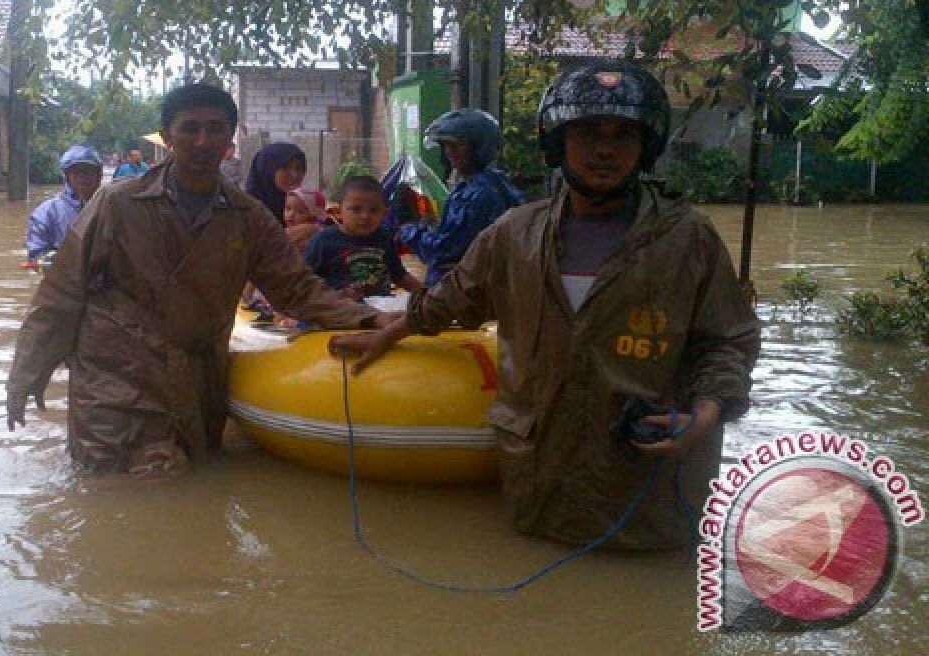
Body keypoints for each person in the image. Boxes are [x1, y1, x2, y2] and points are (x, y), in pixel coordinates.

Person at [329, 63, 761, 550]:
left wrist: (706, 413)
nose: (605, 149)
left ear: (645, 147)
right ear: (558, 142)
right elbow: (450, 300)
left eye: (623, 135)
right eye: (588, 133)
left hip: (650, 500)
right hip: (540, 497)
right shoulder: (514, 234)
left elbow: (729, 340)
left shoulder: (688, 238)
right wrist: (387, 332)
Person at [5, 84, 391, 476]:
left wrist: (370, 319)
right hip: (116, 381)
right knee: (114, 496)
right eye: (190, 129)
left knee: (190, 488)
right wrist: (28, 371)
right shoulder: (117, 204)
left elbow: (297, 288)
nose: (203, 141)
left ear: (230, 139)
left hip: (194, 382)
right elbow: (60, 292)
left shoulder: (248, 216)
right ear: (169, 136)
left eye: (215, 129)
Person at [399, 109, 525, 286]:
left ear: (479, 146)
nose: (449, 152)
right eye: (446, 145)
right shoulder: (497, 182)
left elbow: (442, 249)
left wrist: (407, 231)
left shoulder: (475, 194)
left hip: (465, 294)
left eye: (458, 145)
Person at [306, 175, 423, 301]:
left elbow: (400, 276)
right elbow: (305, 281)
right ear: (338, 211)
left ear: (384, 213)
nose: (365, 216)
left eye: (374, 210)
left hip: (381, 311)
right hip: (340, 313)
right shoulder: (324, 241)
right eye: (356, 209)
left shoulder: (384, 238)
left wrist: (426, 295)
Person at [25, 144, 103, 264]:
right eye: (77, 172)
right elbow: (36, 254)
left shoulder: (110, 209)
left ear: (98, 176)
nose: (83, 177)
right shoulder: (45, 213)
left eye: (88, 171)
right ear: (67, 176)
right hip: (63, 278)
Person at [245, 142, 306, 223]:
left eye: (299, 168)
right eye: (285, 168)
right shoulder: (245, 211)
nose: (294, 175)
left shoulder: (306, 206)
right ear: (268, 171)